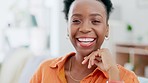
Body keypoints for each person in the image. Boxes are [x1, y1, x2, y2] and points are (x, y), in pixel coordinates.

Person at [30, 0, 139, 83]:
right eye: (76, 21)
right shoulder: (45, 70)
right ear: (68, 29)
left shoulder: (127, 78)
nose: (85, 28)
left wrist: (113, 73)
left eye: (95, 21)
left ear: (107, 30)